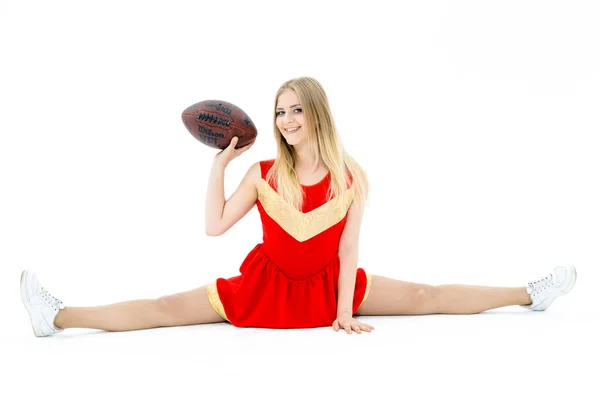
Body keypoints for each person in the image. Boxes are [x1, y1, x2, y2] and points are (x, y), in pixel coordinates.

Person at [20, 77, 577, 337]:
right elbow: (214, 228)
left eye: (294, 111)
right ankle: (58, 316)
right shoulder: (263, 173)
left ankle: (531, 293)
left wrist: (342, 310)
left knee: (425, 295)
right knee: (168, 308)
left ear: (316, 114)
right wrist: (218, 168)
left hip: (329, 289)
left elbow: (350, 246)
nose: (285, 122)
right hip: (266, 288)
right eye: (279, 112)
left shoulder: (352, 175)